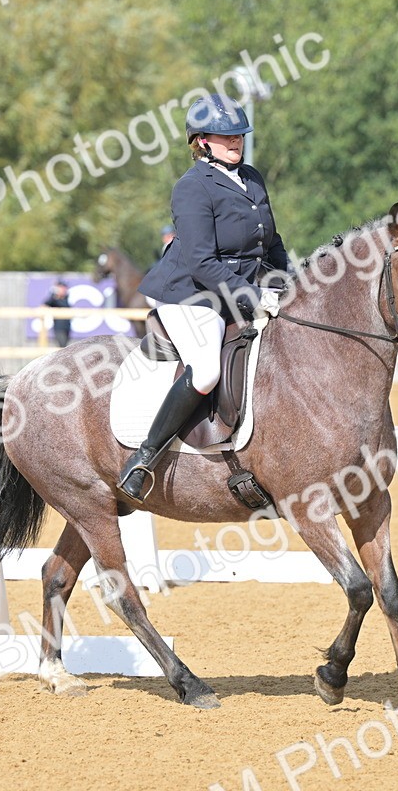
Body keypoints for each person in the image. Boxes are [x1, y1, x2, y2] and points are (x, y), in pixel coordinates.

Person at [118, 94, 291, 503]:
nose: (235, 141)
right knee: (207, 369)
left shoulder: (252, 178)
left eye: (239, 135)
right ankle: (144, 457)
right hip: (191, 293)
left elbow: (273, 240)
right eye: (224, 135)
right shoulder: (192, 187)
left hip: (239, 288)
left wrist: (289, 281)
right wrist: (250, 295)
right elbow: (200, 261)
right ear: (201, 140)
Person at [44, 279, 71, 347]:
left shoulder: (66, 298)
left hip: (67, 326)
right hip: (59, 327)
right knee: (62, 346)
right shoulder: (53, 299)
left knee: (65, 345)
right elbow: (45, 305)